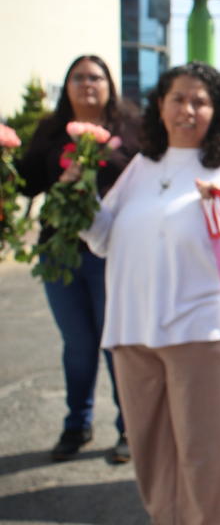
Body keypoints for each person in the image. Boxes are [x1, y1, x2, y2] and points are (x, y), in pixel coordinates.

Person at [80, 62, 220, 524]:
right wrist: (75, 194)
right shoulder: (141, 166)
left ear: (217, 110)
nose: (188, 109)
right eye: (178, 98)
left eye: (201, 100)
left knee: (208, 462)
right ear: (160, 106)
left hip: (205, 333)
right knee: (152, 460)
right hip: (132, 333)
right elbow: (100, 237)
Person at [15, 54, 139, 463]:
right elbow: (27, 182)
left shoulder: (132, 130)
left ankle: (129, 429)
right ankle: (76, 425)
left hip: (113, 258)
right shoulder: (50, 132)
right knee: (78, 346)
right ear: (67, 86)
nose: (87, 84)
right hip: (60, 254)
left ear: (109, 85)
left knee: (115, 346)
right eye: (79, 77)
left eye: (96, 77)